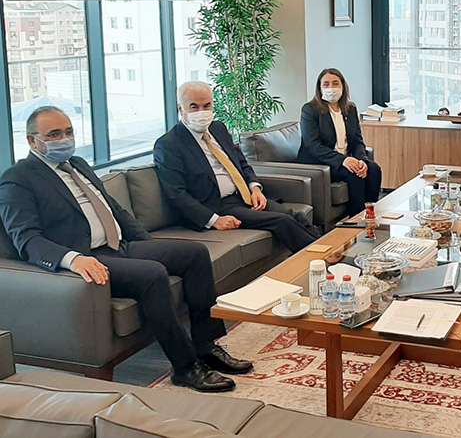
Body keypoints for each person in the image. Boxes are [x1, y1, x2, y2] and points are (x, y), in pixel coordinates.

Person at [0, 106, 252, 392]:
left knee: (193, 254)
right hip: (88, 258)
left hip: (119, 245)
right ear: (32, 141)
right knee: (152, 273)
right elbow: (26, 239)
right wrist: (73, 260)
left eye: (68, 132)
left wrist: (147, 244)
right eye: (54, 134)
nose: (64, 139)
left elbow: (114, 209)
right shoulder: (17, 179)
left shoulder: (78, 164)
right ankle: (185, 367)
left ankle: (206, 346)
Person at [154, 82, 317, 253]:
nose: (202, 111)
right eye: (194, 107)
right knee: (282, 221)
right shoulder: (169, 144)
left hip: (244, 196)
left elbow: (241, 162)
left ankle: (327, 251)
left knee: (294, 215)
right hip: (217, 206)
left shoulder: (218, 128)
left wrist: (254, 188)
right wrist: (214, 220)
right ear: (181, 109)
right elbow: (176, 194)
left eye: (207, 105)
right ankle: (318, 259)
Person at [297, 68, 382, 217]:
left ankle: (370, 214)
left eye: (335, 83)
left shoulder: (350, 108)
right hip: (321, 163)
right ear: (319, 88)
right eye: (326, 84)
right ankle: (355, 220)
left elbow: (357, 141)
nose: (331, 88)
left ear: (343, 86)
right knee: (353, 174)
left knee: (373, 169)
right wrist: (343, 160)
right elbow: (313, 145)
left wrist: (361, 160)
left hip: (345, 160)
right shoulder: (310, 110)